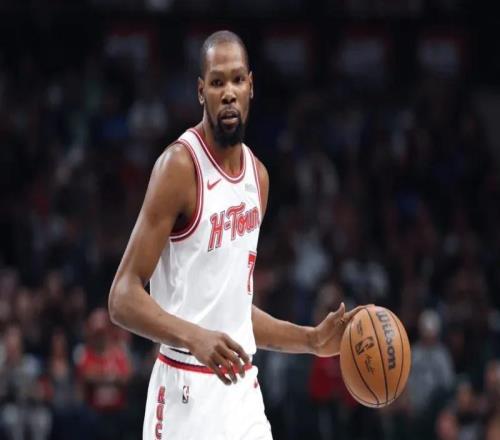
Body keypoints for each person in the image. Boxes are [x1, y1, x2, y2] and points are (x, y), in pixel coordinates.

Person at [108, 30, 364, 440]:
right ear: (201, 92)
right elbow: (121, 297)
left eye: (237, 80)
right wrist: (195, 337)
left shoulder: (257, 178)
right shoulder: (179, 167)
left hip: (242, 391)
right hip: (184, 393)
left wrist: (312, 340)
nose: (228, 93)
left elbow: (233, 310)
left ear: (251, 86)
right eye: (217, 82)